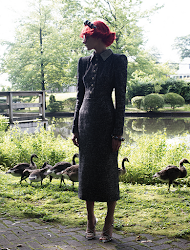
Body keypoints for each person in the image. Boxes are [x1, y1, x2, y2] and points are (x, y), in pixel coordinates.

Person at [72, 20, 127, 243]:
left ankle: (108, 221)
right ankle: (90, 219)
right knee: (87, 172)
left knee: (107, 173)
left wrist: (117, 133)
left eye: (86, 35)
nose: (83, 39)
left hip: (106, 122)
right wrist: (75, 127)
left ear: (98, 37)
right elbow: (79, 96)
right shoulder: (83, 62)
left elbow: (121, 98)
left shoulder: (117, 61)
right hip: (86, 122)